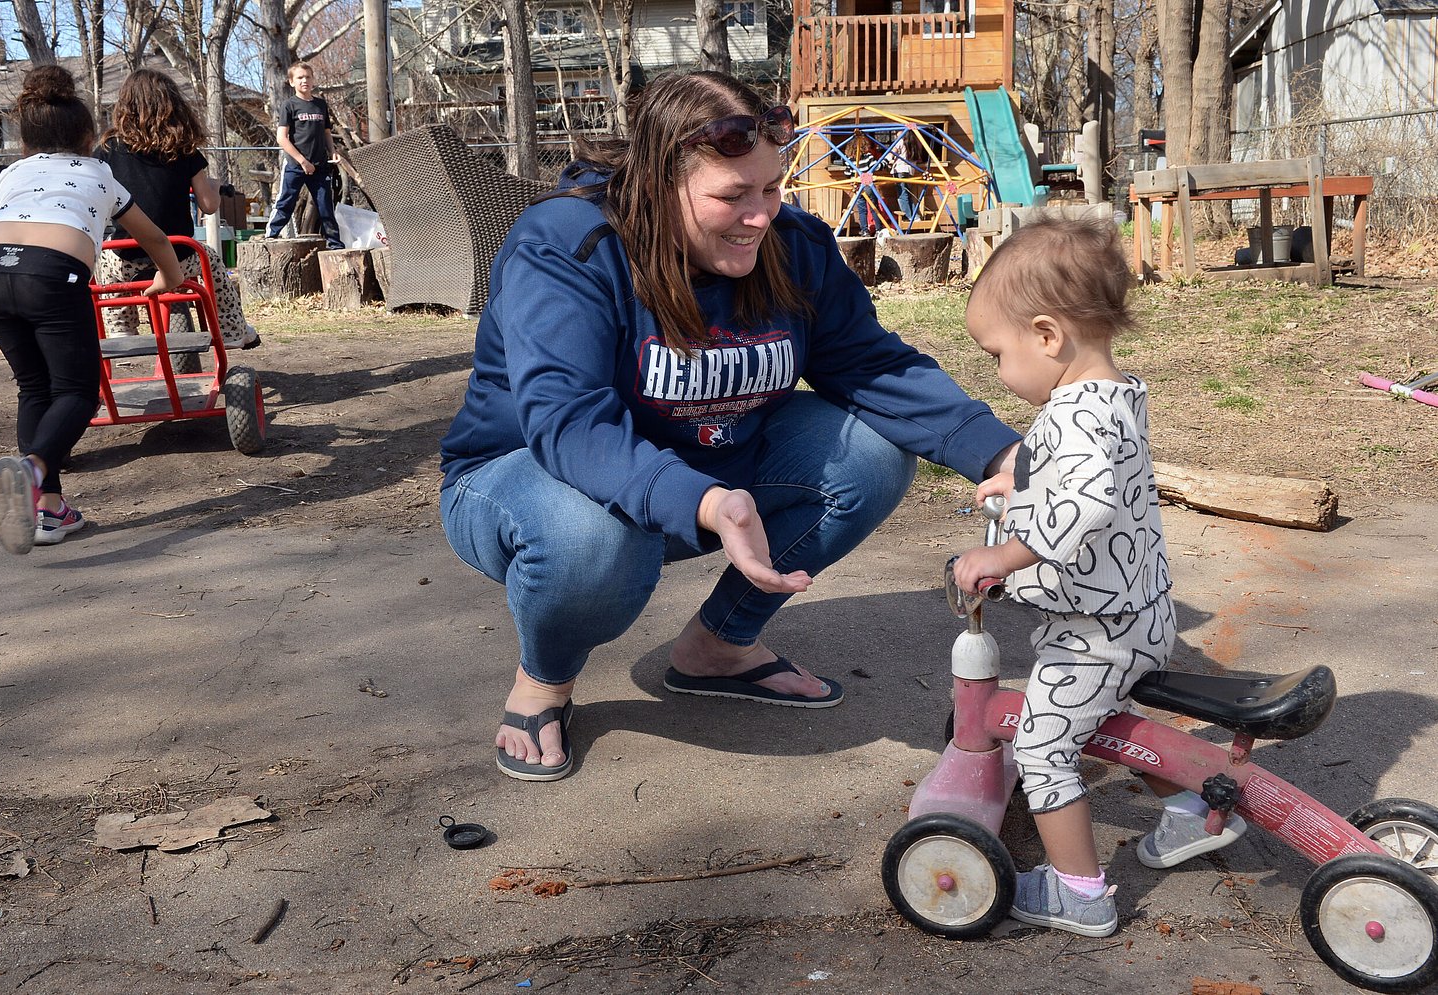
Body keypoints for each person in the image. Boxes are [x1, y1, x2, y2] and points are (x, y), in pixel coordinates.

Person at [439, 71, 1022, 782]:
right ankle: (545, 677)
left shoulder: (792, 245)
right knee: (596, 538)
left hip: (704, 470)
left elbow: (870, 367)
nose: (760, 216)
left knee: (871, 453)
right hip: (523, 477)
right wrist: (706, 501)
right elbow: (569, 422)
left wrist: (1004, 453)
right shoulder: (569, 244)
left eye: (772, 188)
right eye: (732, 196)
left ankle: (720, 646)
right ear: (658, 185)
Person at [951, 215, 1247, 938]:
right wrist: (1020, 484)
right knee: (1108, 725)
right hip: (1136, 615)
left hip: (1095, 634)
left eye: (997, 354)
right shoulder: (1110, 395)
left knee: (1043, 746)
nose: (998, 372)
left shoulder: (1076, 416)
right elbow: (1081, 473)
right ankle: (1191, 808)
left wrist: (1003, 555)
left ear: (1047, 335)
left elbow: (1084, 504)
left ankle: (1080, 892)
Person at [0, 66, 184, 554]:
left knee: (35, 387)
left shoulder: (12, 173)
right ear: (89, 139)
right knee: (78, 393)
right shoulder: (99, 174)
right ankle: (31, 469)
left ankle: (48, 510)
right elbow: (153, 237)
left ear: (26, 142)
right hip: (52, 273)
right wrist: (169, 278)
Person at [95, 68, 260, 349]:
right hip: (179, 255)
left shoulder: (108, 150)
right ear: (172, 106)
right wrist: (213, 186)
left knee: (104, 262)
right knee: (212, 262)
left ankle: (121, 328)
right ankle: (232, 331)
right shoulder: (183, 149)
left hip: (127, 256)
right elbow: (208, 205)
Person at [264, 62, 343, 249]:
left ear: (313, 80)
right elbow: (281, 138)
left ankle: (335, 244)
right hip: (295, 165)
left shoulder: (320, 105)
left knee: (326, 207)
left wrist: (332, 151)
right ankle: (271, 237)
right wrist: (302, 161)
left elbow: (326, 132)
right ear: (292, 82)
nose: (304, 80)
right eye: (300, 77)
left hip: (320, 165)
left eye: (308, 77)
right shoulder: (289, 105)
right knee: (286, 202)